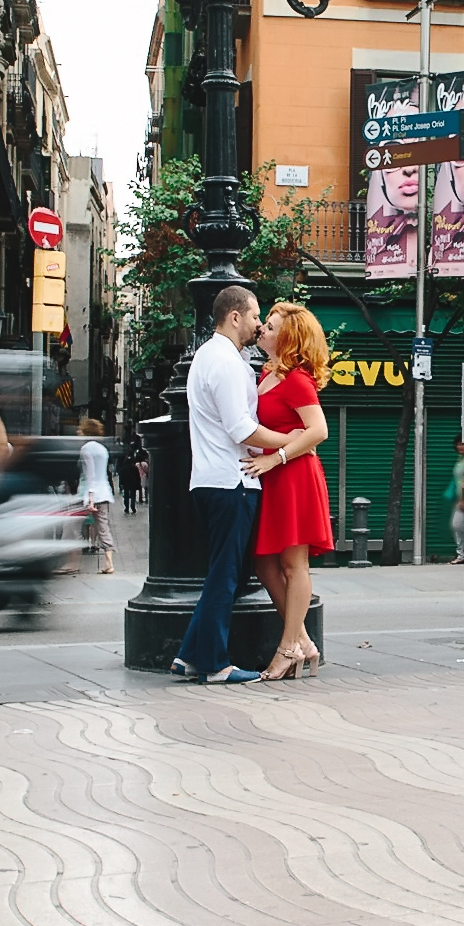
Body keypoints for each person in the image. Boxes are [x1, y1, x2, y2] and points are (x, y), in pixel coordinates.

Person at [174, 286, 291, 682]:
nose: (259, 324)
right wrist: (289, 441)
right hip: (230, 481)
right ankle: (214, 665)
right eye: (256, 315)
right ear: (235, 316)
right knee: (227, 575)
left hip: (218, 479)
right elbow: (240, 427)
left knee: (228, 573)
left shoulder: (217, 357)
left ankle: (190, 654)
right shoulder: (223, 361)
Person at [245, 301, 332, 679]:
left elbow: (318, 430)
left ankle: (288, 648)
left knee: (293, 565)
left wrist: (275, 456)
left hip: (293, 475)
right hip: (278, 475)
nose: (262, 328)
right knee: (265, 562)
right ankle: (302, 641)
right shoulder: (268, 374)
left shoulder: (296, 379)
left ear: (289, 337)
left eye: (271, 324)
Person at [76, 419, 116, 573]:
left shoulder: (86, 449)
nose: (78, 432)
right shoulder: (102, 449)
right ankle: (109, 562)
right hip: (104, 492)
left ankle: (72, 560)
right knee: (103, 528)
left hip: (91, 495)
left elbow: (90, 475)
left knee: (72, 526)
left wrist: (90, 498)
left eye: (80, 429)